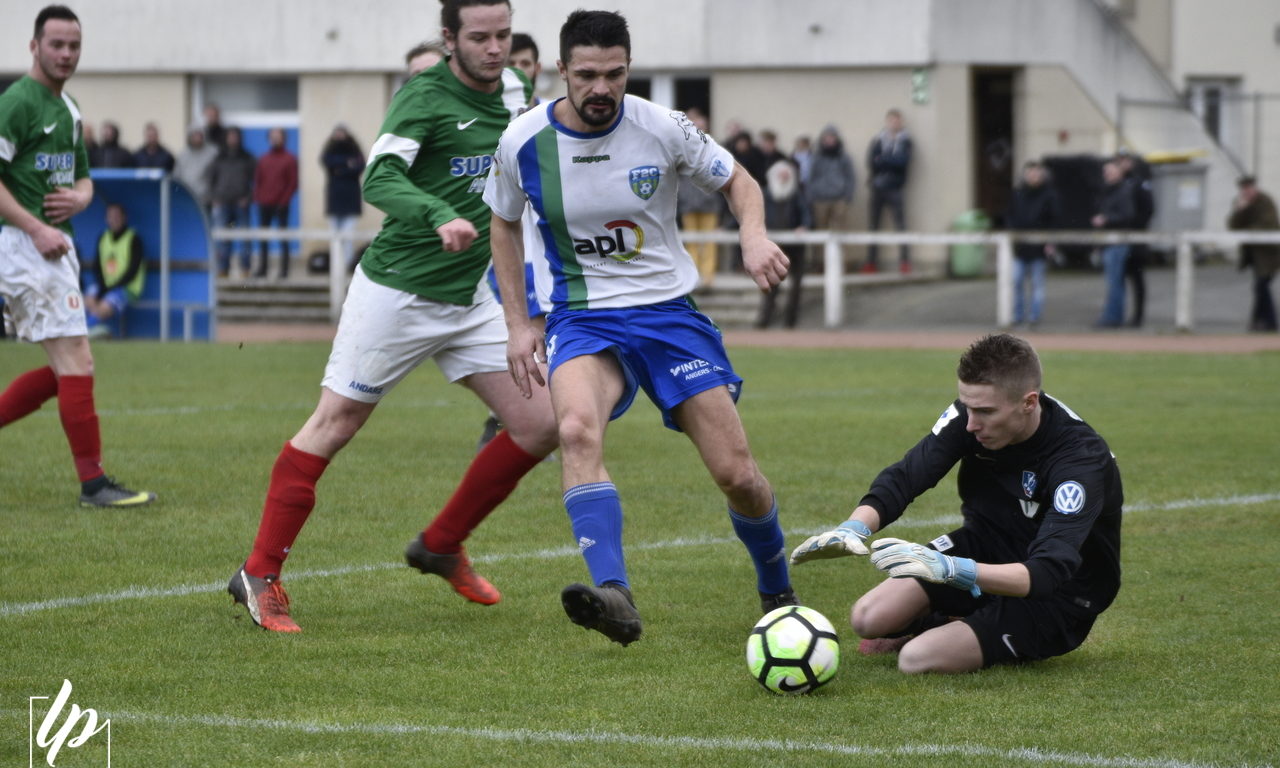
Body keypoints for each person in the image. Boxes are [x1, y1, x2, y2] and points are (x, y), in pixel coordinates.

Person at [227, 0, 556, 634]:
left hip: (469, 297)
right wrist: (437, 213)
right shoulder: (422, 97)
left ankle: (442, 543)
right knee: (334, 424)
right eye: (479, 37)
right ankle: (259, 572)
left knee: (542, 422)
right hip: (397, 293)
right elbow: (378, 177)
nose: (494, 48)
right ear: (449, 38)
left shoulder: (517, 89)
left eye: (503, 35)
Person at [485, 9, 795, 646]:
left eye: (615, 74)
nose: (602, 88)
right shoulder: (522, 140)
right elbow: (503, 222)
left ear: (629, 68)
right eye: (587, 75)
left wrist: (754, 235)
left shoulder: (663, 126)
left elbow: (738, 181)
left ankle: (777, 588)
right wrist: (518, 322)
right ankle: (614, 594)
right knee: (575, 429)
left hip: (667, 315)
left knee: (737, 476)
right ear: (561, 71)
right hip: (582, 318)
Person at [791, 333, 1122, 674]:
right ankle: (957, 621)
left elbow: (1045, 573)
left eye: (985, 412)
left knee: (915, 659)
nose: (971, 424)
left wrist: (950, 569)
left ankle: (966, 627)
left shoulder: (1080, 460)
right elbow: (907, 476)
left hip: (1061, 591)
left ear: (1028, 402)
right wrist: (853, 529)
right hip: (987, 545)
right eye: (967, 406)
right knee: (867, 618)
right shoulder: (972, 416)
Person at [0, 5, 154, 507]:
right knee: (77, 362)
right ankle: (94, 485)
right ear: (34, 47)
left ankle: (94, 483)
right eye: (57, 44)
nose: (66, 54)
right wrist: (35, 227)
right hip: (25, 246)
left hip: (54, 246)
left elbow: (84, 179)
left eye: (74, 46)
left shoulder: (69, 109)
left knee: (67, 371)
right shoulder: (16, 103)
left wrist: (81, 199)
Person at [476, 30, 549, 451]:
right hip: (506, 246)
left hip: (545, 247)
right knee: (521, 331)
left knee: (543, 334)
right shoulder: (491, 120)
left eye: (524, 64)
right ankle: (511, 418)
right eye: (511, 64)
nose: (518, 71)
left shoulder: (554, 118)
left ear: (537, 69)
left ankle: (522, 419)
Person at [756, 158, 812, 328]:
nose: (784, 178)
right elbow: (754, 213)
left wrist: (804, 226)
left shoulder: (796, 193)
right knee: (771, 283)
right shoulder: (766, 194)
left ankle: (790, 321)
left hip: (795, 246)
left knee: (796, 285)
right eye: (781, 175)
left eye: (787, 175)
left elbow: (806, 214)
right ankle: (765, 319)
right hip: (774, 246)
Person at [1006, 160, 1060, 327]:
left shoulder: (1049, 195)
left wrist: (1050, 242)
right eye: (1030, 173)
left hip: (1039, 249)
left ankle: (1034, 317)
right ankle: (1018, 315)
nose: (1033, 176)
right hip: (1020, 248)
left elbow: (1054, 219)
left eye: (1037, 173)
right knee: (1016, 282)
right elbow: (1009, 216)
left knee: (1037, 284)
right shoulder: (1017, 194)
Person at [677, 107, 723, 292]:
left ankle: (708, 279)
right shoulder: (680, 146)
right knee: (691, 243)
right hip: (688, 204)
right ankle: (695, 277)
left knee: (709, 243)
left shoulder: (713, 146)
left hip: (709, 203)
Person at [83, 202, 145, 337]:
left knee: (106, 304)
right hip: (105, 286)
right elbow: (97, 266)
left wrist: (111, 287)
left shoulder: (134, 238)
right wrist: (103, 287)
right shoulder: (103, 237)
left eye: (117, 216)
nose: (114, 219)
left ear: (124, 217)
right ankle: (95, 329)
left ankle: (87, 332)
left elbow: (133, 270)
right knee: (87, 299)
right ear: (106, 219)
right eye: (110, 216)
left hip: (127, 288)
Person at [1228, 175, 1280, 332]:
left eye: (1249, 187)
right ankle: (1260, 321)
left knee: (1261, 285)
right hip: (1253, 254)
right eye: (1244, 188)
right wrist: (1240, 210)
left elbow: (1268, 225)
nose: (1247, 191)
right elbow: (1233, 226)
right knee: (1259, 287)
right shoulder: (1241, 203)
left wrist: (1247, 231)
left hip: (1269, 253)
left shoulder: (1265, 201)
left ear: (1254, 187)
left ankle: (1268, 321)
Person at [866, 108, 912, 273]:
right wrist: (889, 160)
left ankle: (905, 262)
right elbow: (872, 162)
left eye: (897, 120)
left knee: (900, 225)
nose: (894, 123)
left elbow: (902, 162)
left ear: (901, 122)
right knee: (873, 225)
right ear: (887, 122)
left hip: (895, 188)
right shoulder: (878, 140)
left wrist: (884, 159)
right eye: (892, 120)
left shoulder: (906, 141)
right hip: (877, 187)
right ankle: (871, 263)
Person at [206, 125, 255, 278]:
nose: (233, 139)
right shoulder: (218, 158)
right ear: (226, 138)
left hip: (241, 204)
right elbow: (211, 180)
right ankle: (223, 268)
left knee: (245, 237)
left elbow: (256, 181)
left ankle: (245, 268)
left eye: (235, 136)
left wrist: (248, 198)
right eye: (230, 136)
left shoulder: (247, 158)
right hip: (222, 204)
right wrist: (214, 198)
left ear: (240, 138)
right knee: (223, 238)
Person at [1091, 158, 1134, 328]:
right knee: (1114, 282)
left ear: (1119, 172)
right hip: (1107, 242)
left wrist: (1106, 219)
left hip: (1117, 243)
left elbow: (1128, 215)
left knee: (1115, 283)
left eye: (1110, 171)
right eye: (1105, 171)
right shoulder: (1107, 191)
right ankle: (1114, 316)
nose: (1107, 174)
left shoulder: (1123, 191)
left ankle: (1113, 318)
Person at [252, 127, 298, 278]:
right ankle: (263, 268)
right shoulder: (264, 159)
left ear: (284, 138)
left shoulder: (290, 159)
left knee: (283, 238)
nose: (275, 139)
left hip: (281, 205)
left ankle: (284, 270)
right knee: (263, 238)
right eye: (273, 136)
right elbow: (258, 180)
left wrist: (284, 201)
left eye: (278, 136)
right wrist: (258, 198)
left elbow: (293, 183)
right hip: (264, 204)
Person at [319, 123, 364, 271]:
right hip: (334, 200)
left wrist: (340, 170)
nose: (339, 137)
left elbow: (359, 166)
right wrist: (347, 164)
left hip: (351, 200)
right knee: (334, 237)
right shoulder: (329, 150)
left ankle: (347, 266)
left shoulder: (354, 150)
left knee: (348, 237)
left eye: (341, 133)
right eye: (337, 133)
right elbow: (327, 162)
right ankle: (336, 268)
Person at [1116, 150, 1154, 327]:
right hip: (1119, 239)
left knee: (1137, 279)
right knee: (1118, 279)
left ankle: (1138, 316)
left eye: (1125, 160)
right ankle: (1118, 315)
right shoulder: (1117, 183)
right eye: (1119, 160)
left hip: (1136, 240)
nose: (1122, 164)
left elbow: (1148, 210)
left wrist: (1134, 229)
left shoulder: (1139, 184)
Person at [808, 124, 855, 260]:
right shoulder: (816, 157)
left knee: (840, 234)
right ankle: (820, 263)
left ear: (837, 139)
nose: (829, 140)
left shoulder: (844, 157)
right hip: (820, 201)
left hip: (839, 200)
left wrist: (847, 197)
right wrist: (812, 196)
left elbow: (850, 178)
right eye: (827, 137)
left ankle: (841, 263)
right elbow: (810, 178)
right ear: (822, 139)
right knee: (820, 233)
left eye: (832, 137)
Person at [174, 124, 217, 212]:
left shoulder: (213, 153)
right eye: (194, 135)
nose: (197, 138)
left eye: (199, 135)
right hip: (187, 198)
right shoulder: (183, 155)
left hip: (206, 199)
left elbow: (218, 176)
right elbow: (177, 176)